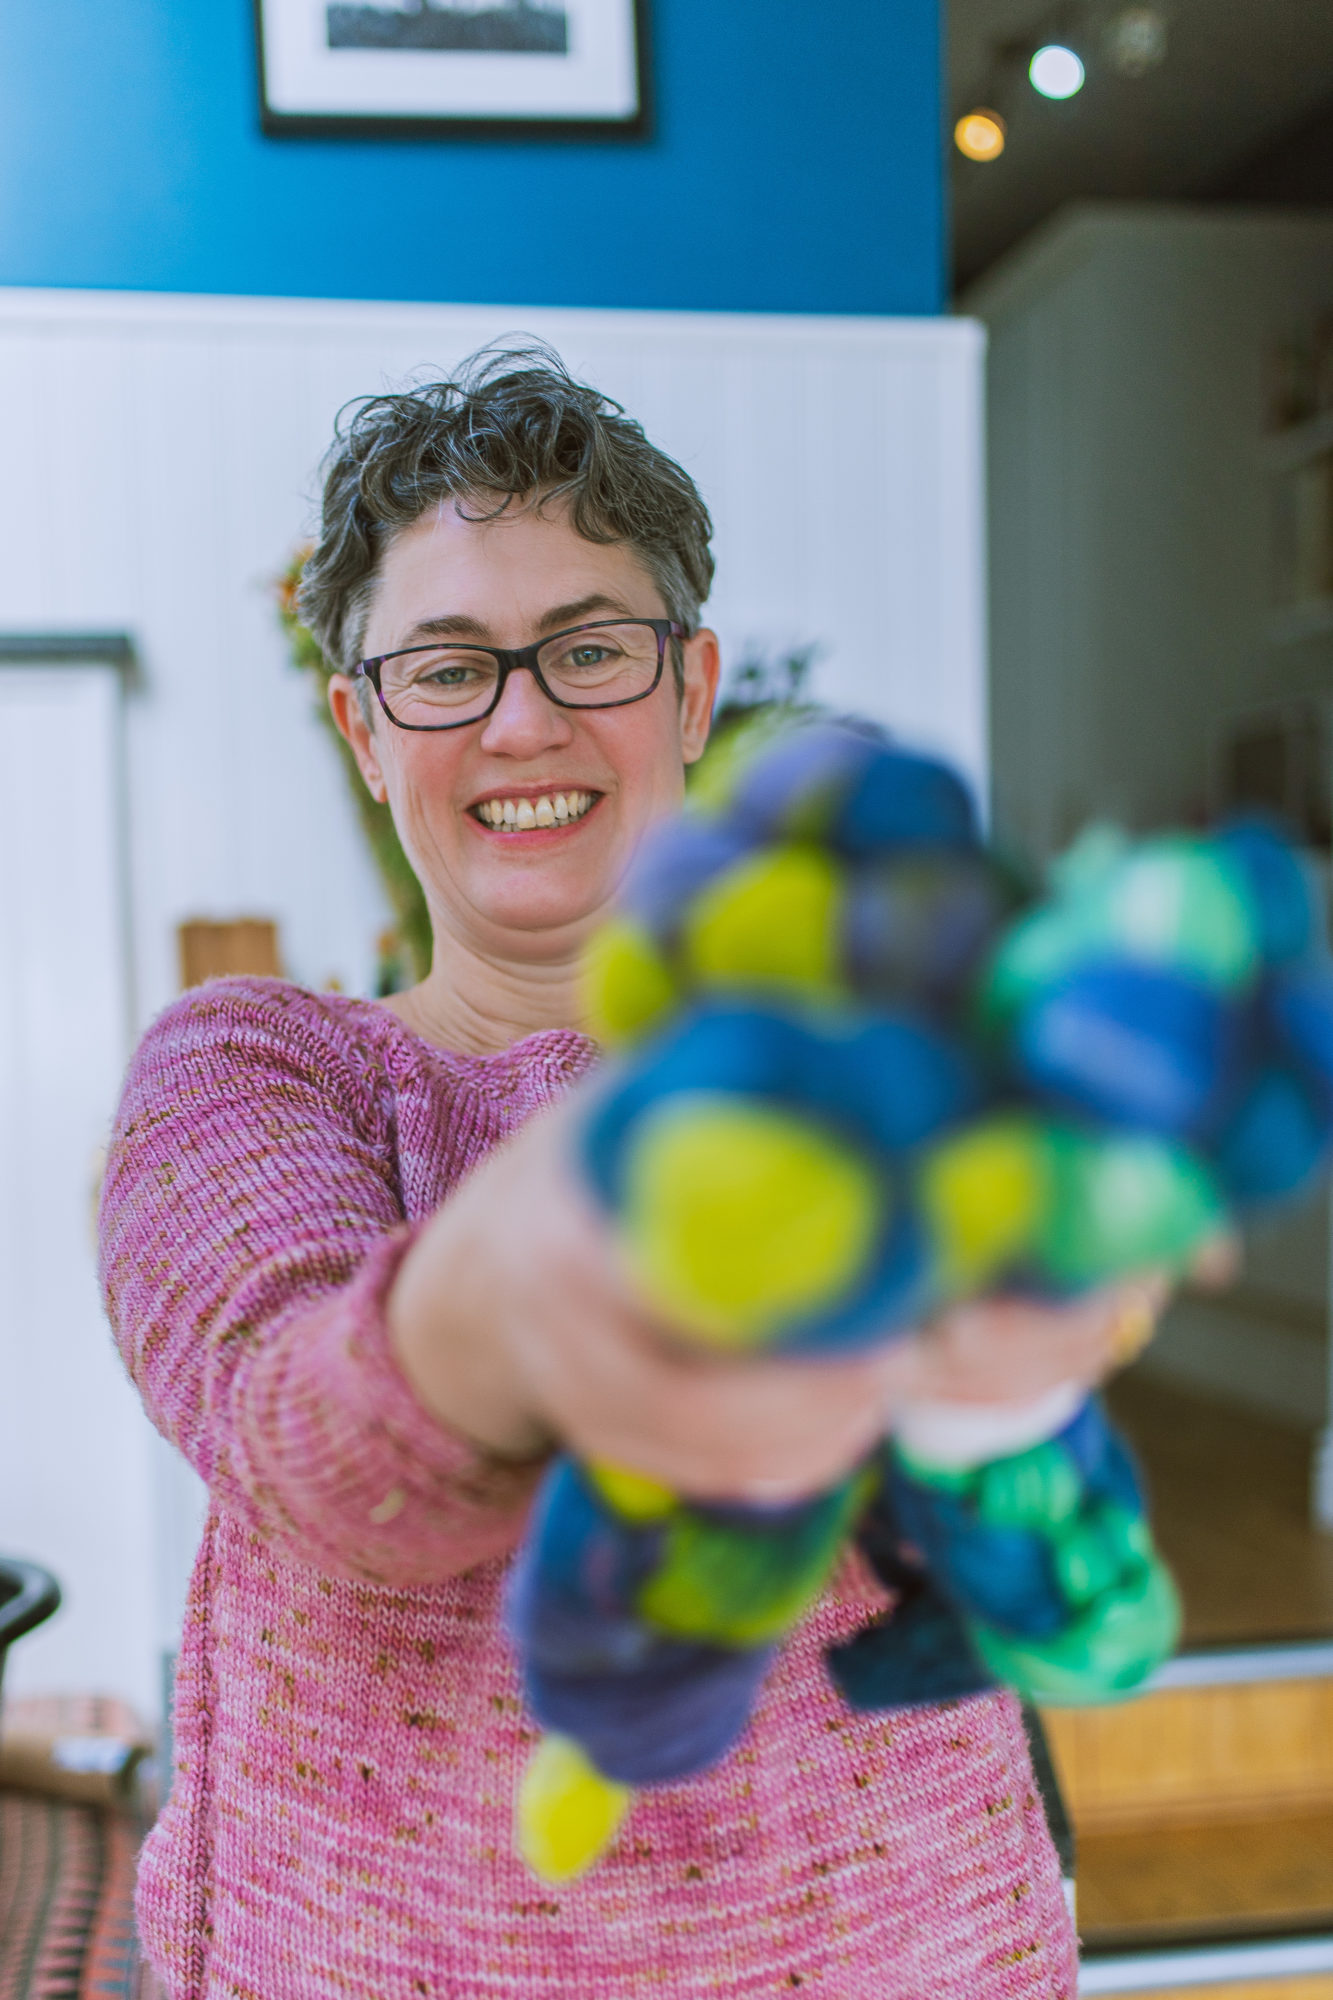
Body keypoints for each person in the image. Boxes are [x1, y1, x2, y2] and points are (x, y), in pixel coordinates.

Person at [102, 346, 1142, 1999]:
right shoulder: (252, 1069)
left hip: (916, 1949)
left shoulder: (888, 1045)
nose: (523, 718)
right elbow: (315, 1454)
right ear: (362, 729)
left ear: (688, 688)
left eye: (587, 647)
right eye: (445, 667)